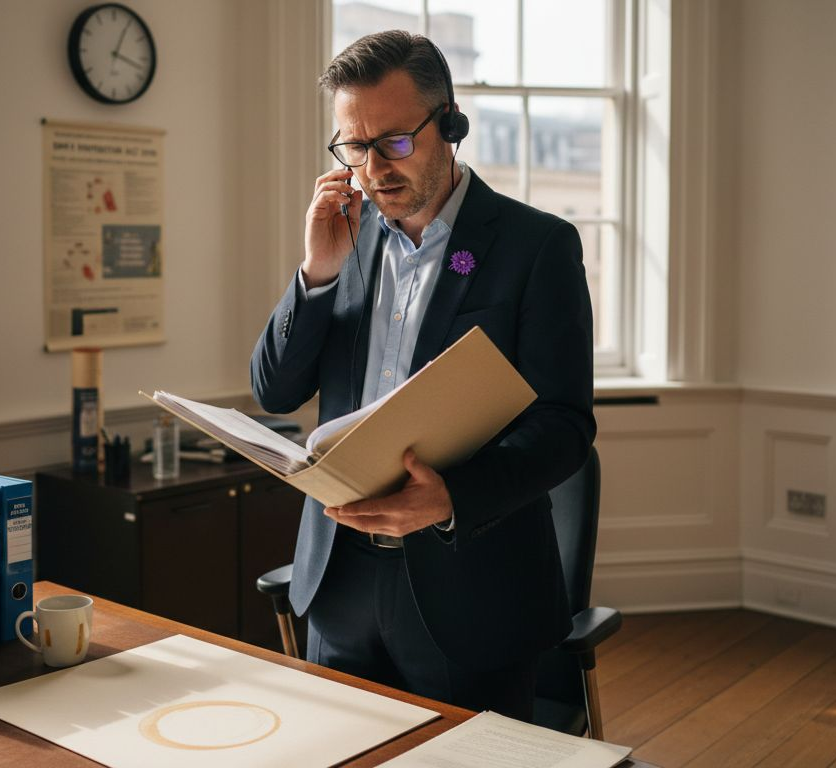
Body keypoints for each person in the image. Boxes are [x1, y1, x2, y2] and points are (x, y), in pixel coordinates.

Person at [250, 29, 595, 721]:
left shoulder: (537, 247)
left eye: (395, 143)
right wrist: (315, 272)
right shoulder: (343, 233)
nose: (373, 169)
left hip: (472, 589)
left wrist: (450, 499)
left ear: (450, 126)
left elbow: (564, 427)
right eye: (354, 146)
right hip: (338, 581)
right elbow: (276, 391)